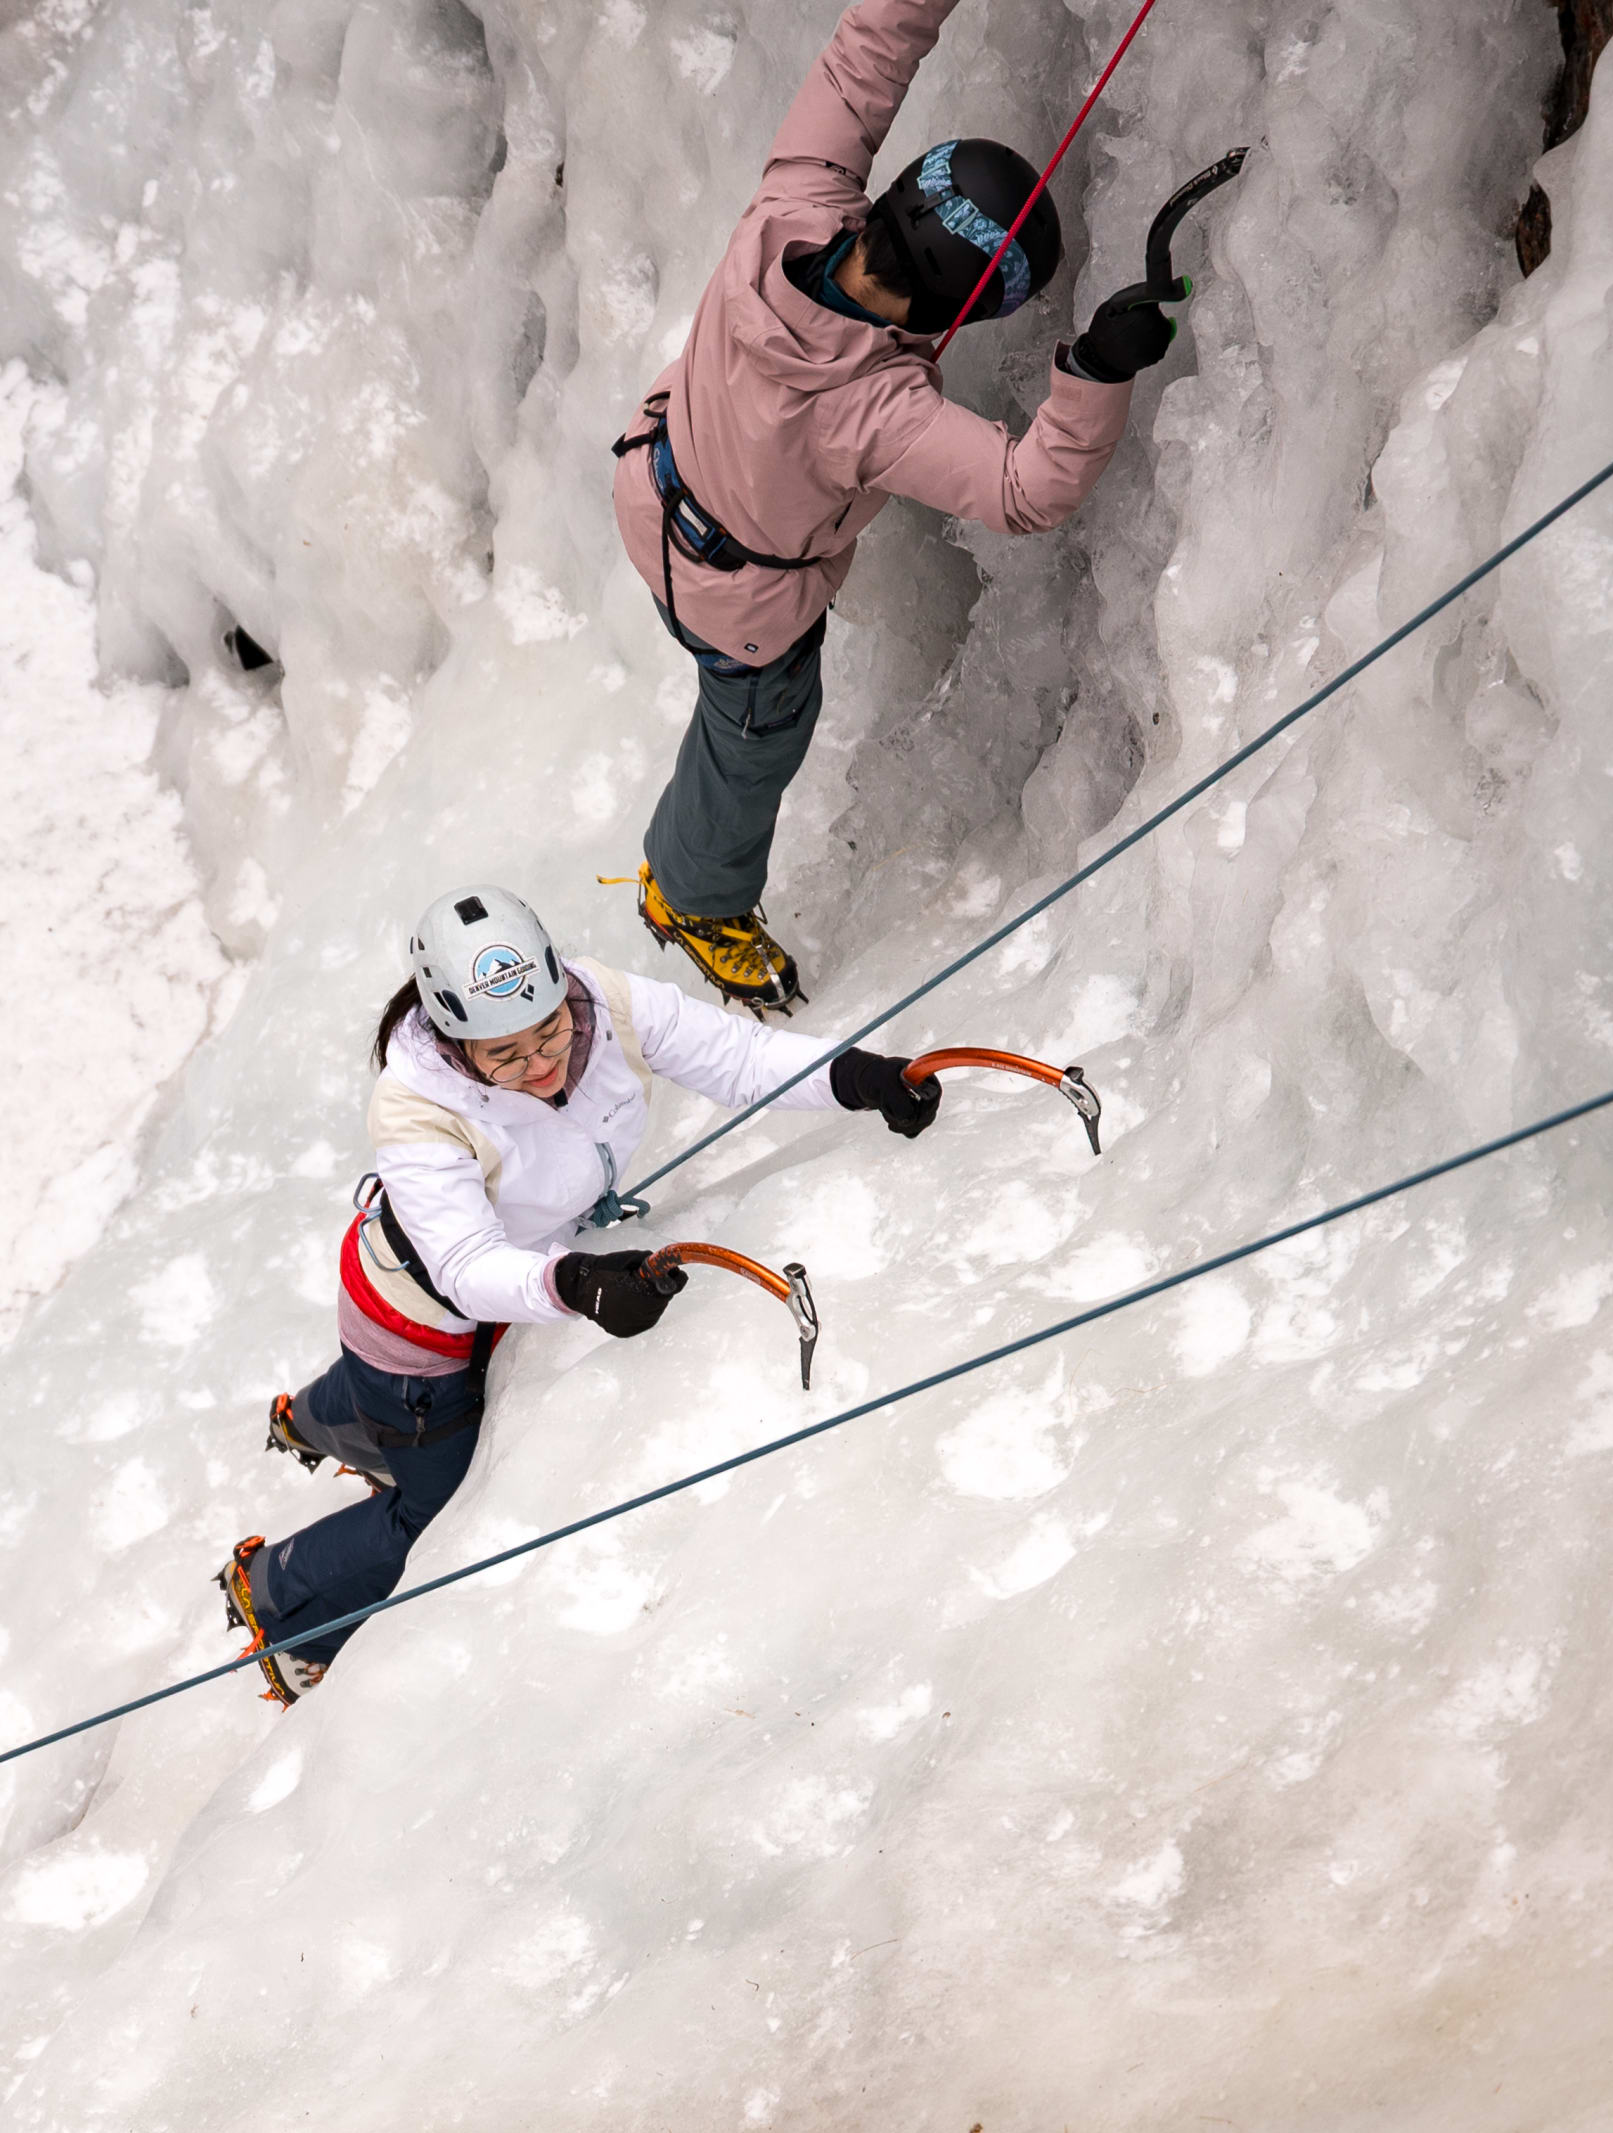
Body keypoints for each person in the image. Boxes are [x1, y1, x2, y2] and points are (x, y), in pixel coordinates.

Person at [221, 884, 947, 1699]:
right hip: (414, 1321)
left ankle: (310, 1421)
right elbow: (465, 1264)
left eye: (549, 1031)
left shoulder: (605, 1004)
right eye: (504, 1055)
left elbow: (739, 1057)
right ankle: (277, 1593)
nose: (541, 1064)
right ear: (455, 1040)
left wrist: (857, 1076)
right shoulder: (416, 1107)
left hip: (511, 1280)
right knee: (441, 1511)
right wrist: (576, 1282)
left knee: (395, 1407)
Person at [608, 0, 1191, 1015]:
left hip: (652, 478)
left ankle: (694, 877)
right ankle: (693, 898)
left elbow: (861, 59)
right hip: (742, 610)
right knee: (755, 741)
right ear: (953, 312)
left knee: (736, 711)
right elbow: (1025, 489)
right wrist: (1097, 369)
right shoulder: (871, 412)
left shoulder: (794, 201)